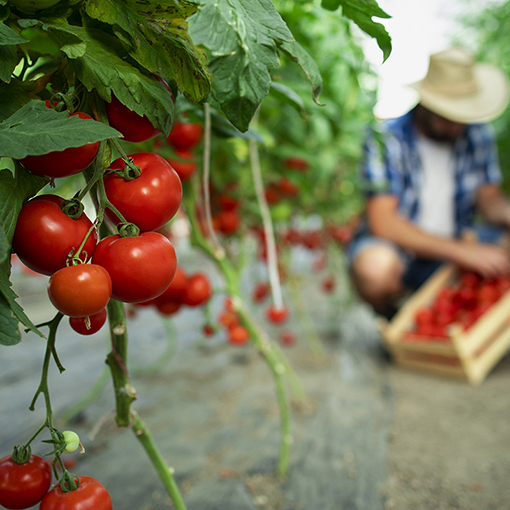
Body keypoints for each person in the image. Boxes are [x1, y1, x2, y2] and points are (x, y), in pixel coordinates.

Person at [347, 46, 510, 319]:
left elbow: (489, 199)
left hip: (460, 241)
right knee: (374, 268)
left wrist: (506, 213)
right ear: (426, 103)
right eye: (448, 115)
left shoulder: (477, 135)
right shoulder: (384, 139)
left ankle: (474, 315)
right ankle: (396, 315)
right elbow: (383, 222)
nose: (457, 126)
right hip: (405, 254)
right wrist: (464, 252)